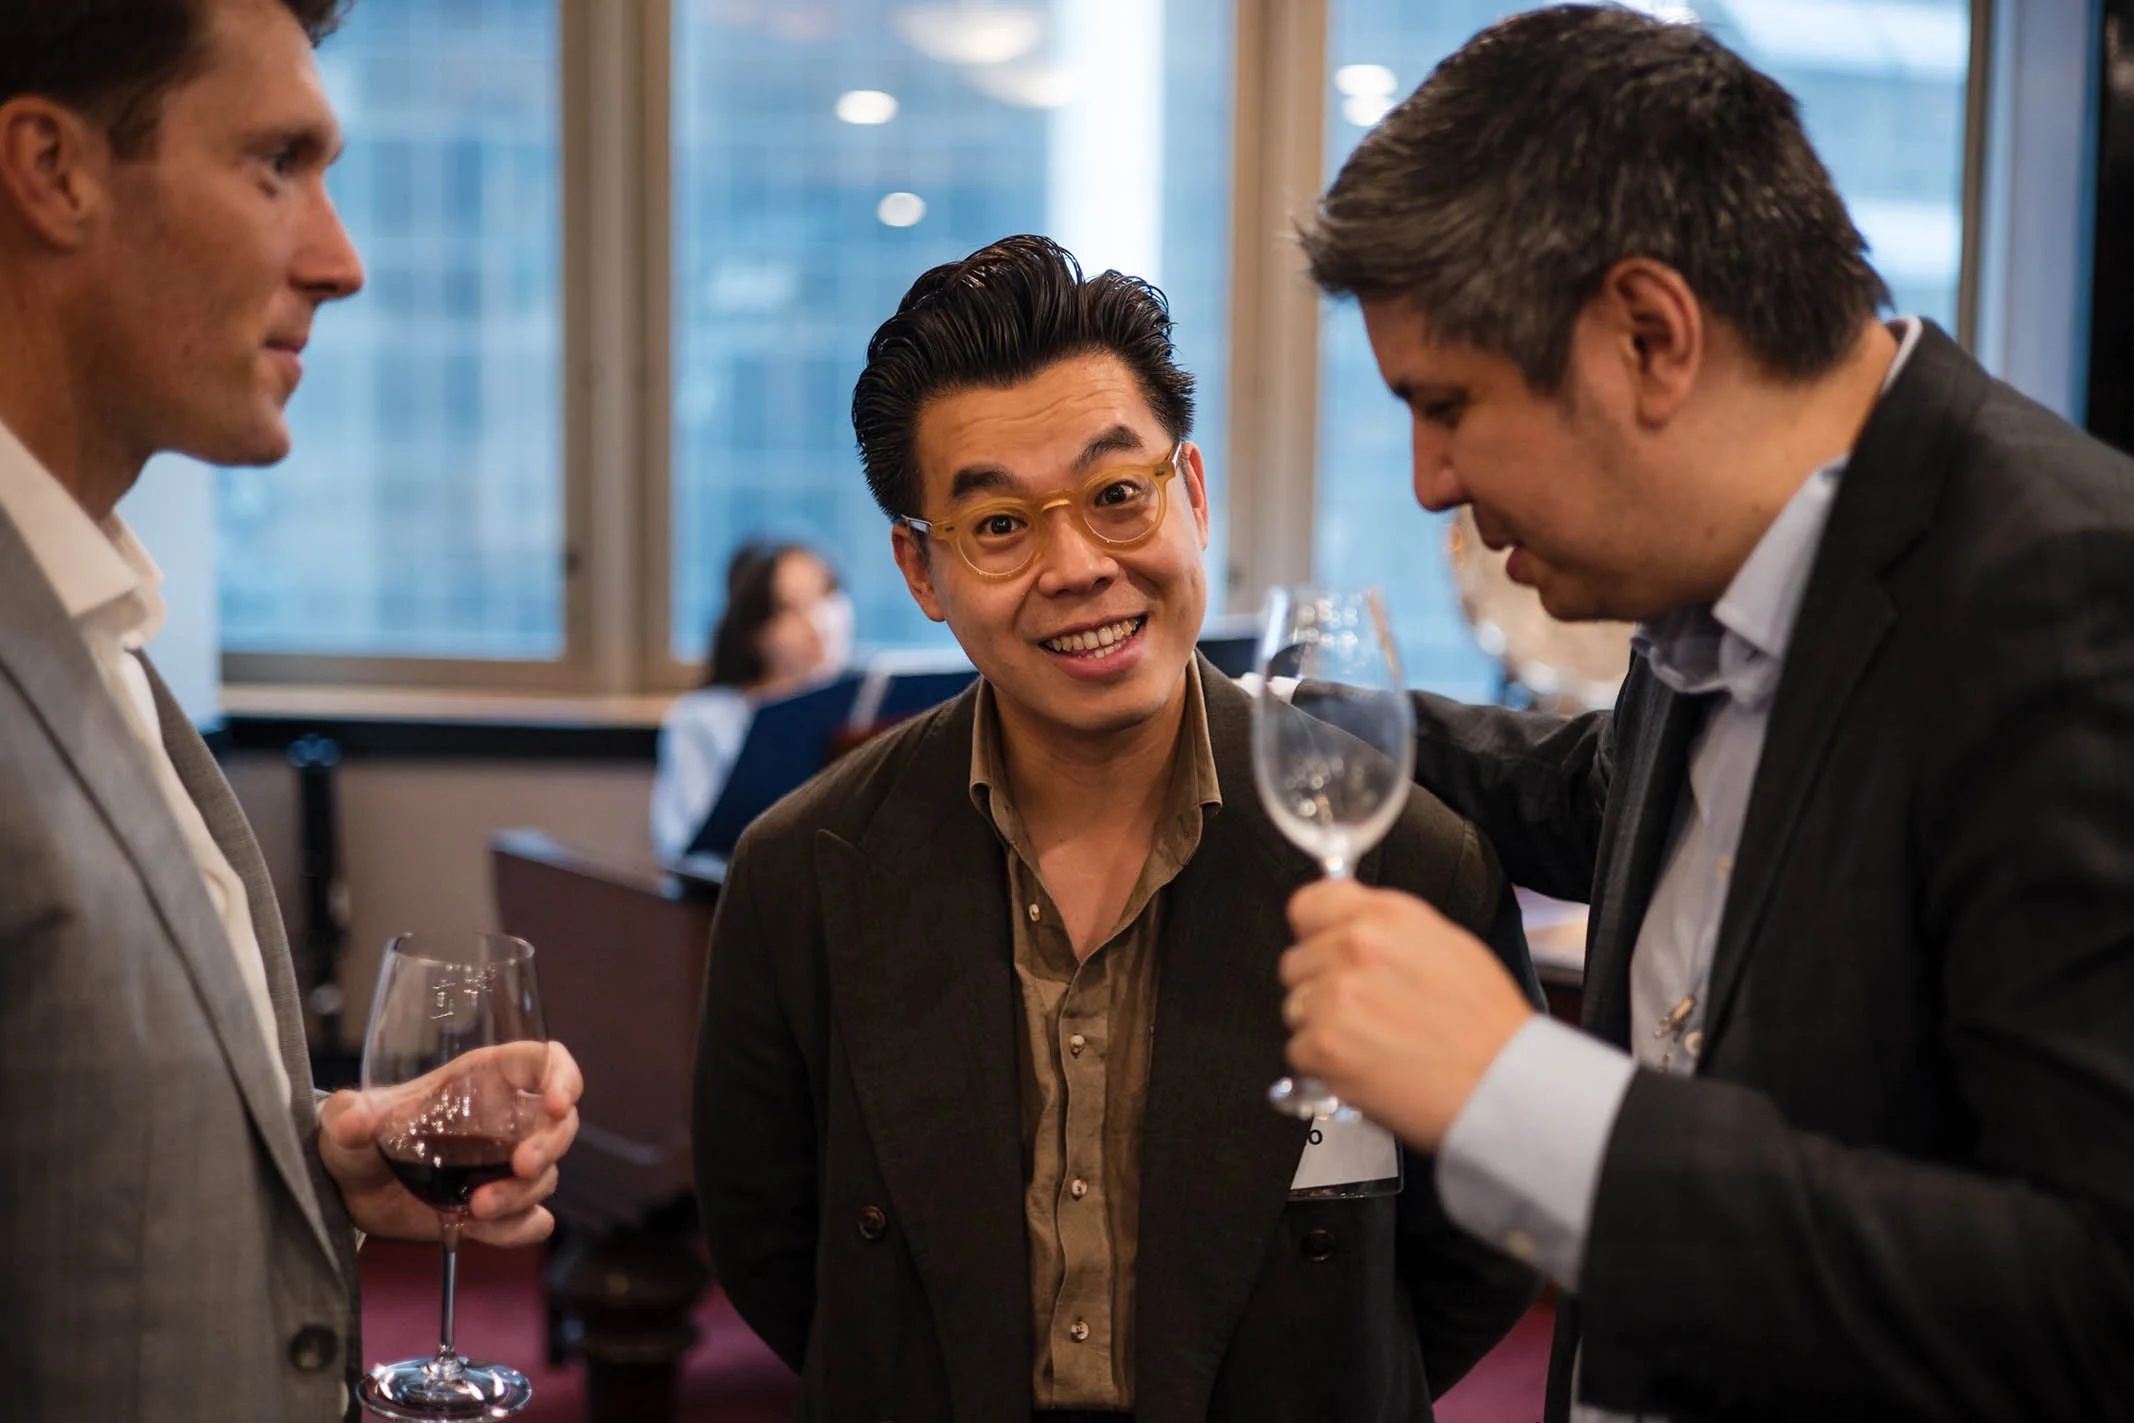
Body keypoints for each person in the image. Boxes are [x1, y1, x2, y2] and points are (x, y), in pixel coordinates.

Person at [1274, 8, 2134, 1422]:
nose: (1427, 479)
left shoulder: (2067, 594)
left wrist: (1507, 1086)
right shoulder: (1711, 595)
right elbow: (1590, 791)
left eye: (1447, 403)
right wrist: (1286, 720)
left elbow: (2092, 1294)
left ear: (1647, 335)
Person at [693, 235, 1543, 1422]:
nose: (1078, 565)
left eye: (1116, 495)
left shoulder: (1400, 853)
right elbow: (776, 1252)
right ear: (922, 568)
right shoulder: (802, 874)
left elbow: (1485, 1235)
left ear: (1189, 494)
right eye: (997, 524)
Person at [0, 3, 582, 1418]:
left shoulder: (99, 642)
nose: (340, 259)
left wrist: (321, 1141)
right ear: (53, 169)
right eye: (275, 163)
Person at [651, 540, 853, 862]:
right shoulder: (704, 720)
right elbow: (683, 846)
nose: (818, 622)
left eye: (827, 595)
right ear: (754, 633)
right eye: (789, 608)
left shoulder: (869, 705)